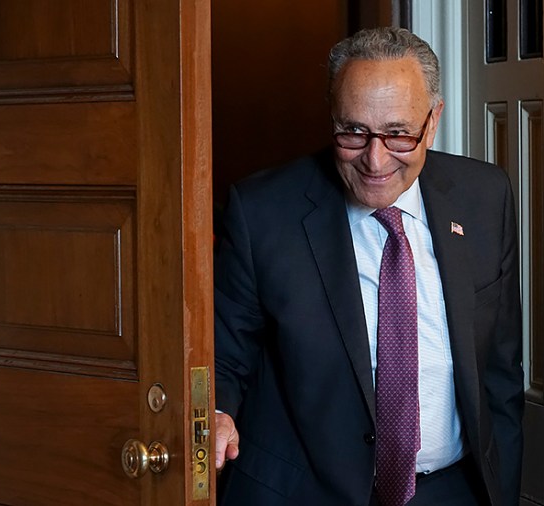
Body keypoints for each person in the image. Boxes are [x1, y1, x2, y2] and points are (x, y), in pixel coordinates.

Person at [213, 27, 523, 506]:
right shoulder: (261, 212)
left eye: (398, 134)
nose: (375, 160)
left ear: (433, 120)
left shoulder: (484, 197)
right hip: (304, 493)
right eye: (353, 132)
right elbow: (224, 356)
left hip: (452, 491)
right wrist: (217, 412)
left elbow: (500, 374)